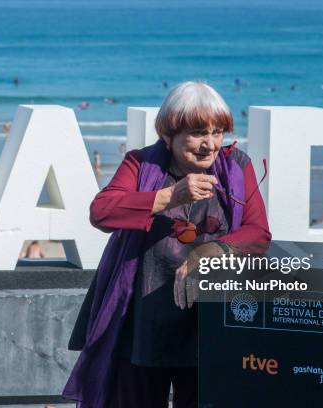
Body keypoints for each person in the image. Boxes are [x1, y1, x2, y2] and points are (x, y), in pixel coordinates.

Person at [63, 81, 271, 407]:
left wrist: (208, 252)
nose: (210, 144)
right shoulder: (141, 164)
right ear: (169, 133)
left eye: (218, 132)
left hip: (210, 317)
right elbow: (101, 213)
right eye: (198, 132)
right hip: (142, 317)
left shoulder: (236, 166)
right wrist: (170, 196)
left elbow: (258, 233)